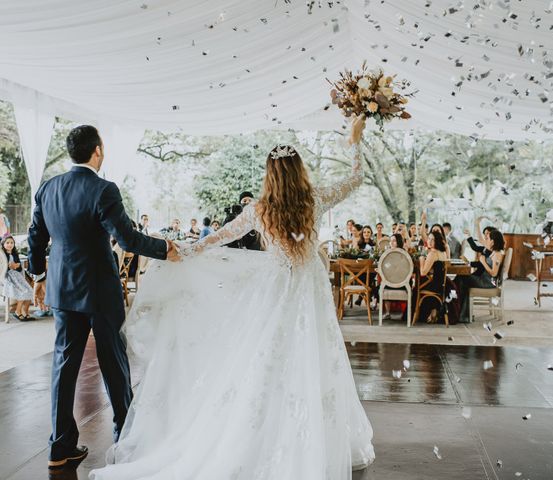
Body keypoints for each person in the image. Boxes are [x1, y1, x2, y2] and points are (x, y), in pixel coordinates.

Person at [89, 116, 375, 480]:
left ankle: (261, 436)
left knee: (264, 362)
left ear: (269, 175)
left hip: (274, 293)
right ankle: (306, 438)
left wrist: (182, 251)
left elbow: (218, 237)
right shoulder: (315, 200)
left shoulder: (259, 210)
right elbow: (356, 178)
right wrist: (355, 141)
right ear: (299, 171)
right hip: (308, 293)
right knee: (312, 360)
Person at [27, 125, 180, 472]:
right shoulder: (103, 189)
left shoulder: (48, 188)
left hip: (63, 291)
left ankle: (60, 446)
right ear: (97, 151)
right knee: (114, 364)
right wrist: (163, 249)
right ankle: (125, 439)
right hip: (99, 291)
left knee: (64, 367)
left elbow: (36, 238)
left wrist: (38, 275)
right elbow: (126, 239)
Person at [457, 229, 505, 323]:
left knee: (461, 278)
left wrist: (483, 262)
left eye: (487, 239)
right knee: (461, 279)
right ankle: (462, 314)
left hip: (487, 282)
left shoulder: (497, 254)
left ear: (492, 241)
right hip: (485, 279)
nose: (485, 240)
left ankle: (462, 315)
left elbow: (494, 273)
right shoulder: (495, 252)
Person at [415, 230, 448, 324]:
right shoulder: (443, 252)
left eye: (432, 239)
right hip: (441, 285)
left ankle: (418, 315)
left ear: (437, 241)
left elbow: (423, 272)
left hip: (434, 286)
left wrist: (421, 259)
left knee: (415, 288)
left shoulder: (432, 253)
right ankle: (433, 312)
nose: (429, 241)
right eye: (429, 238)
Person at [1, 235, 33, 321]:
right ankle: (17, 311)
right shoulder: (2, 255)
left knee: (30, 290)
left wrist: (15, 266)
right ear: (3, 244)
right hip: (8, 277)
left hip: (17, 275)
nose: (10, 244)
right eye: (7, 243)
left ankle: (25, 312)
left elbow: (19, 267)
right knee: (23, 291)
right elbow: (3, 268)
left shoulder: (15, 254)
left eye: (12, 243)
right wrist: (11, 266)